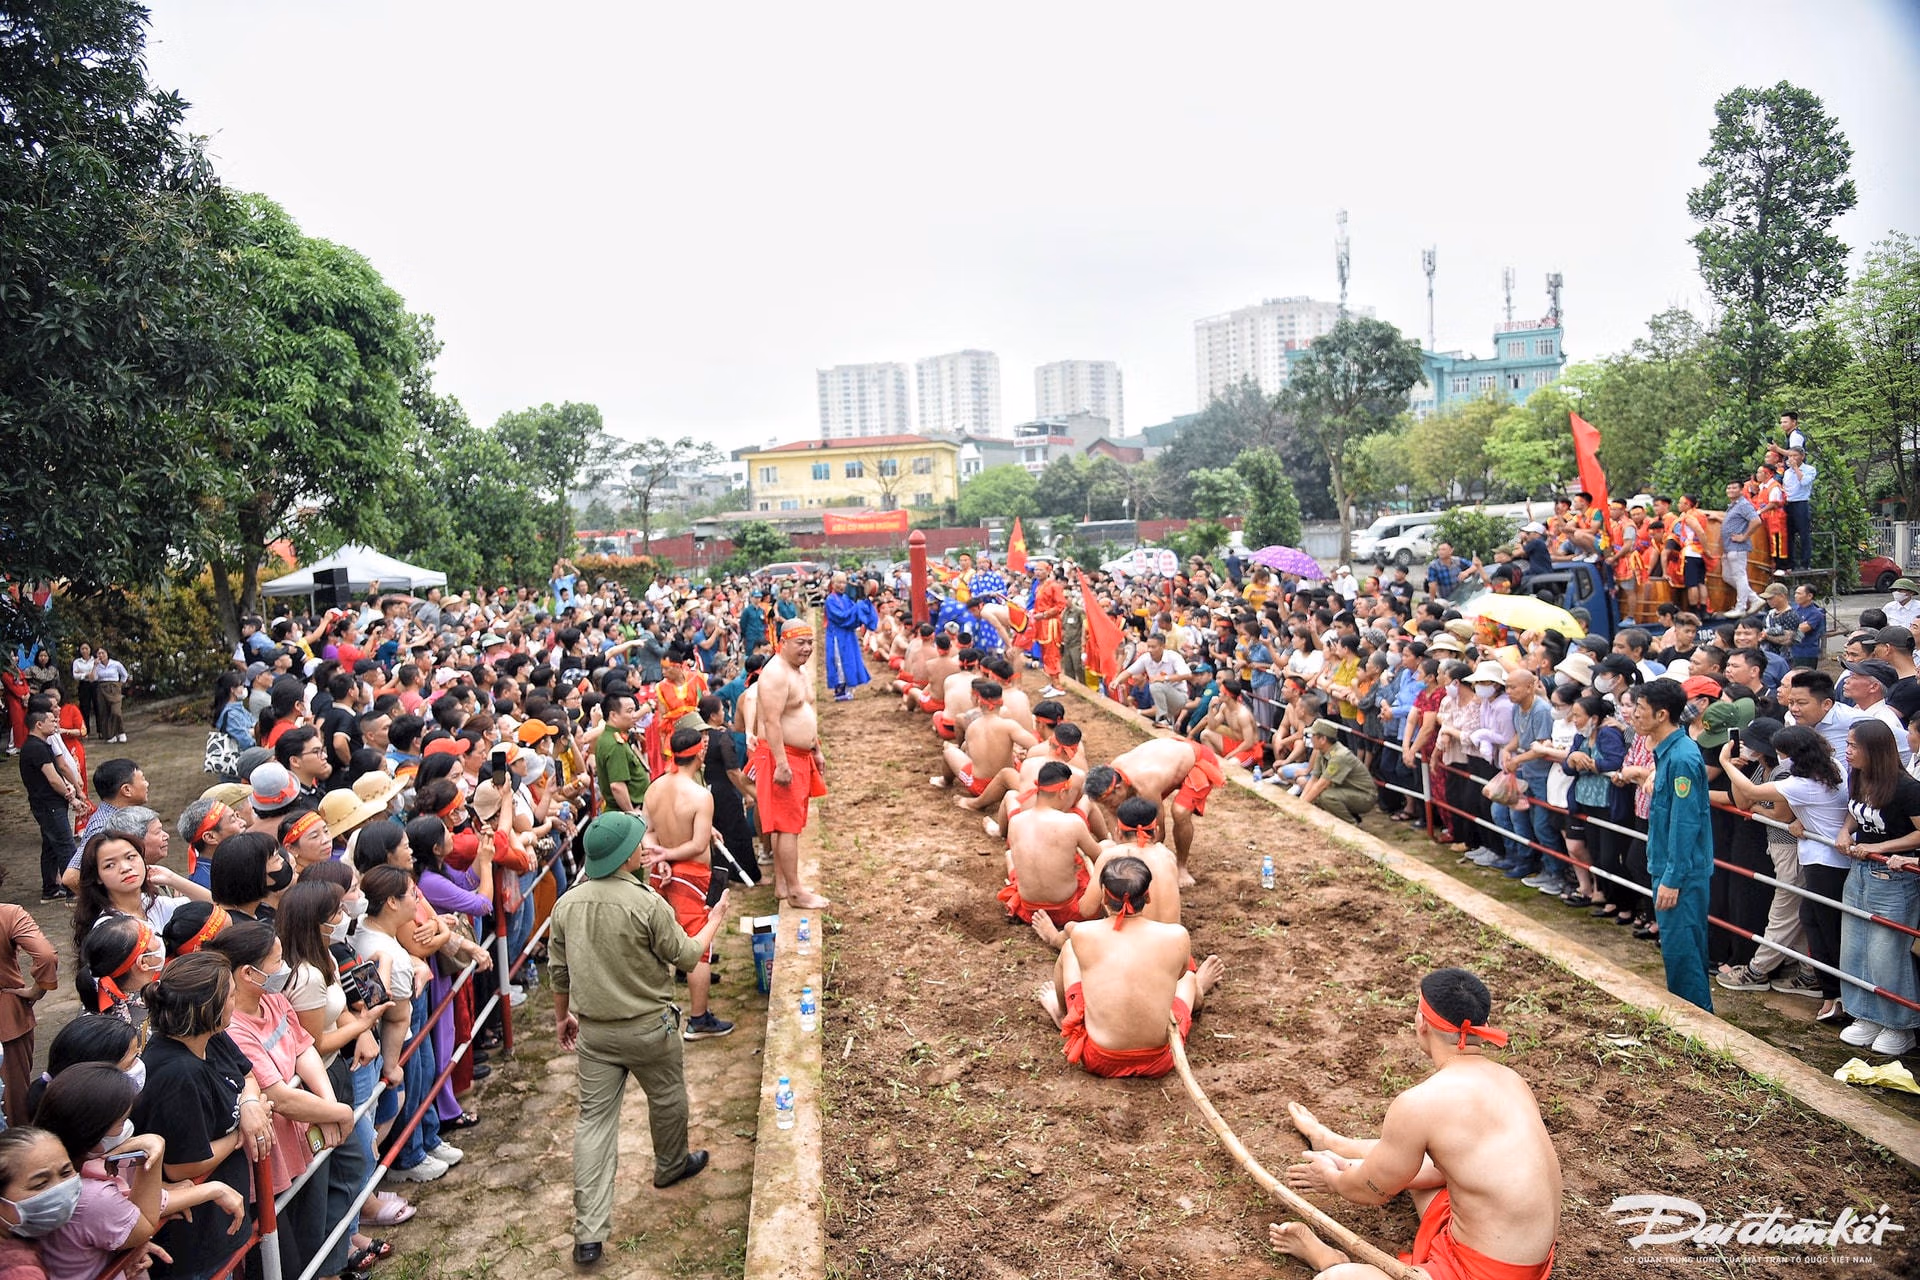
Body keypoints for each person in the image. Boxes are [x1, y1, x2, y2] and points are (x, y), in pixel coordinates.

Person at [1268, 968, 1560, 1280]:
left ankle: (1331, 1262)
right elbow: (1444, 1166)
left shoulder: (1421, 1103)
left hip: (1485, 1273)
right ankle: (1333, 1143)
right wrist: (1345, 1159)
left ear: (1422, 1023)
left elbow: (1372, 1190)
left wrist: (1333, 1178)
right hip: (1514, 1249)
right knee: (1414, 1165)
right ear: (1483, 1027)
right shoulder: (1513, 1080)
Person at [551, 813, 732, 1268]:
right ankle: (671, 1166)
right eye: (637, 843)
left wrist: (561, 1018)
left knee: (593, 1124)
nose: (642, 847)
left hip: (595, 1032)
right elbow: (688, 956)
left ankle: (588, 1234)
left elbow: (559, 971)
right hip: (651, 1029)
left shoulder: (567, 904)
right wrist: (714, 918)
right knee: (667, 1097)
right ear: (625, 856)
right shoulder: (647, 903)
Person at [133, 952, 272, 1280]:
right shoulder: (178, 1074)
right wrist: (239, 1134)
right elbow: (182, 1165)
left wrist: (250, 1105)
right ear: (207, 1007)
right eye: (231, 994)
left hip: (223, 1215)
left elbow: (247, 1075)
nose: (236, 1000)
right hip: (193, 1239)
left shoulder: (212, 1035)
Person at [1035, 856, 1222, 1079]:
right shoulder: (1176, 936)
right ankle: (1197, 990)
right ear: (1148, 896)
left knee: (1068, 950)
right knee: (1188, 979)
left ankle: (1063, 1013)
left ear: (1104, 896)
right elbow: (1179, 975)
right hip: (1160, 1059)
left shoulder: (1083, 933)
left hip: (1098, 1058)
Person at [1722, 725, 1850, 1023]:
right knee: (1809, 919)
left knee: (1817, 924)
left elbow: (1751, 794)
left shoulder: (1799, 783)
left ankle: (1827, 992)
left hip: (1822, 861)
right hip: (1824, 857)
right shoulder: (1833, 768)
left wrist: (1726, 762)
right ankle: (1815, 979)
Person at [1831, 721, 1920, 1058]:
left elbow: (1919, 833)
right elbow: (1856, 812)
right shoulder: (1859, 777)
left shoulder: (1907, 787)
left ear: (1874, 749)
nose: (1847, 751)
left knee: (1887, 952)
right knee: (1855, 947)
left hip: (1895, 878)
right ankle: (1865, 1014)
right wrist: (1845, 832)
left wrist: (1880, 848)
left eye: (1853, 746)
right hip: (1860, 871)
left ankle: (1899, 1025)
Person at [641, 727, 733, 1041]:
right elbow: (696, 845)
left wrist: (660, 855)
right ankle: (698, 1019)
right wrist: (667, 854)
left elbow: (647, 832)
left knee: (660, 940)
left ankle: (656, 1011)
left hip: (661, 873)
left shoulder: (654, 787)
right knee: (698, 948)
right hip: (690, 874)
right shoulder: (700, 795)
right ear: (700, 753)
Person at [752, 621, 829, 909]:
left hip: (800, 754)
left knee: (791, 823)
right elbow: (770, 721)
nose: (807, 648)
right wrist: (781, 764)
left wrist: (816, 749)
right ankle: (796, 891)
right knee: (787, 826)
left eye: (810, 643)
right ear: (782, 643)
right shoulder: (775, 673)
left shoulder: (800, 669)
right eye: (800, 643)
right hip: (781, 755)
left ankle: (784, 885)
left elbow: (804, 711)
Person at [1085, 738, 1221, 888]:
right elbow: (1113, 815)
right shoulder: (1113, 773)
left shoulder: (1146, 786)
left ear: (1118, 788)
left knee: (1179, 812)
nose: (1109, 807)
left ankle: (1181, 867)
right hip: (1171, 755)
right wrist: (1121, 851)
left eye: (1108, 802)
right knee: (1125, 811)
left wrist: (1139, 863)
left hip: (1197, 759)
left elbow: (1158, 832)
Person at [998, 763, 1102, 931]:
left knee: (1011, 855)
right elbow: (1100, 858)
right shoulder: (1072, 822)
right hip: (1068, 910)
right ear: (1062, 793)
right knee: (1099, 853)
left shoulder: (1016, 821)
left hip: (1030, 910)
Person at [0, 891, 58, 1127]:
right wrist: (38, 989)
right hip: (7, 1018)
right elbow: (46, 956)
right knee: (13, 1104)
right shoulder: (8, 914)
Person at [19, 708, 80, 903]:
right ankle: (74, 890)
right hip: (49, 804)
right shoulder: (36, 748)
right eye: (52, 721)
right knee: (66, 845)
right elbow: (53, 778)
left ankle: (51, 889)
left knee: (51, 846)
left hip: (46, 804)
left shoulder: (39, 745)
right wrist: (71, 798)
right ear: (39, 724)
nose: (56, 724)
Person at [0, 1125, 73, 1275]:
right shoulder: (20, 1272)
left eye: (66, 1173)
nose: (60, 1191)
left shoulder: (20, 1235)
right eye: (40, 1184)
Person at [1298, 719, 1378, 825]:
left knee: (1326, 796)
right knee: (1316, 793)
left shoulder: (1339, 756)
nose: (1311, 738)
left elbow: (1321, 784)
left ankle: (1351, 824)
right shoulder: (1322, 751)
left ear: (1323, 739)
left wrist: (1300, 807)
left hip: (1365, 796)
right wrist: (1300, 802)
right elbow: (1314, 779)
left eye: (1313, 735)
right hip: (1348, 790)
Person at [592, 692, 647, 814]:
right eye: (629, 711)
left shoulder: (611, 737)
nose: (634, 715)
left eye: (635, 710)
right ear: (613, 715)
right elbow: (617, 786)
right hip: (624, 812)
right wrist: (632, 814)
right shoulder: (615, 744)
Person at [821, 573, 873, 701]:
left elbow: (854, 614)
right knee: (839, 660)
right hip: (837, 635)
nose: (842, 585)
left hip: (848, 634)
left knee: (851, 659)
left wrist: (863, 607)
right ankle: (840, 690)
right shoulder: (830, 600)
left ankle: (849, 688)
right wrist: (857, 608)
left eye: (844, 583)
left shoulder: (845, 598)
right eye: (839, 582)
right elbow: (841, 617)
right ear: (833, 584)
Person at [1782, 445, 1815, 570]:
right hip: (1788, 503)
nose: (1792, 458)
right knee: (1789, 534)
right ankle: (1791, 563)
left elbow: (1804, 482)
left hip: (1801, 502)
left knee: (1804, 533)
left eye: (1795, 456)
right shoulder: (1787, 472)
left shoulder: (1809, 469)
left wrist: (1796, 468)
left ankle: (1805, 563)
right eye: (1790, 456)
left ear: (1802, 456)